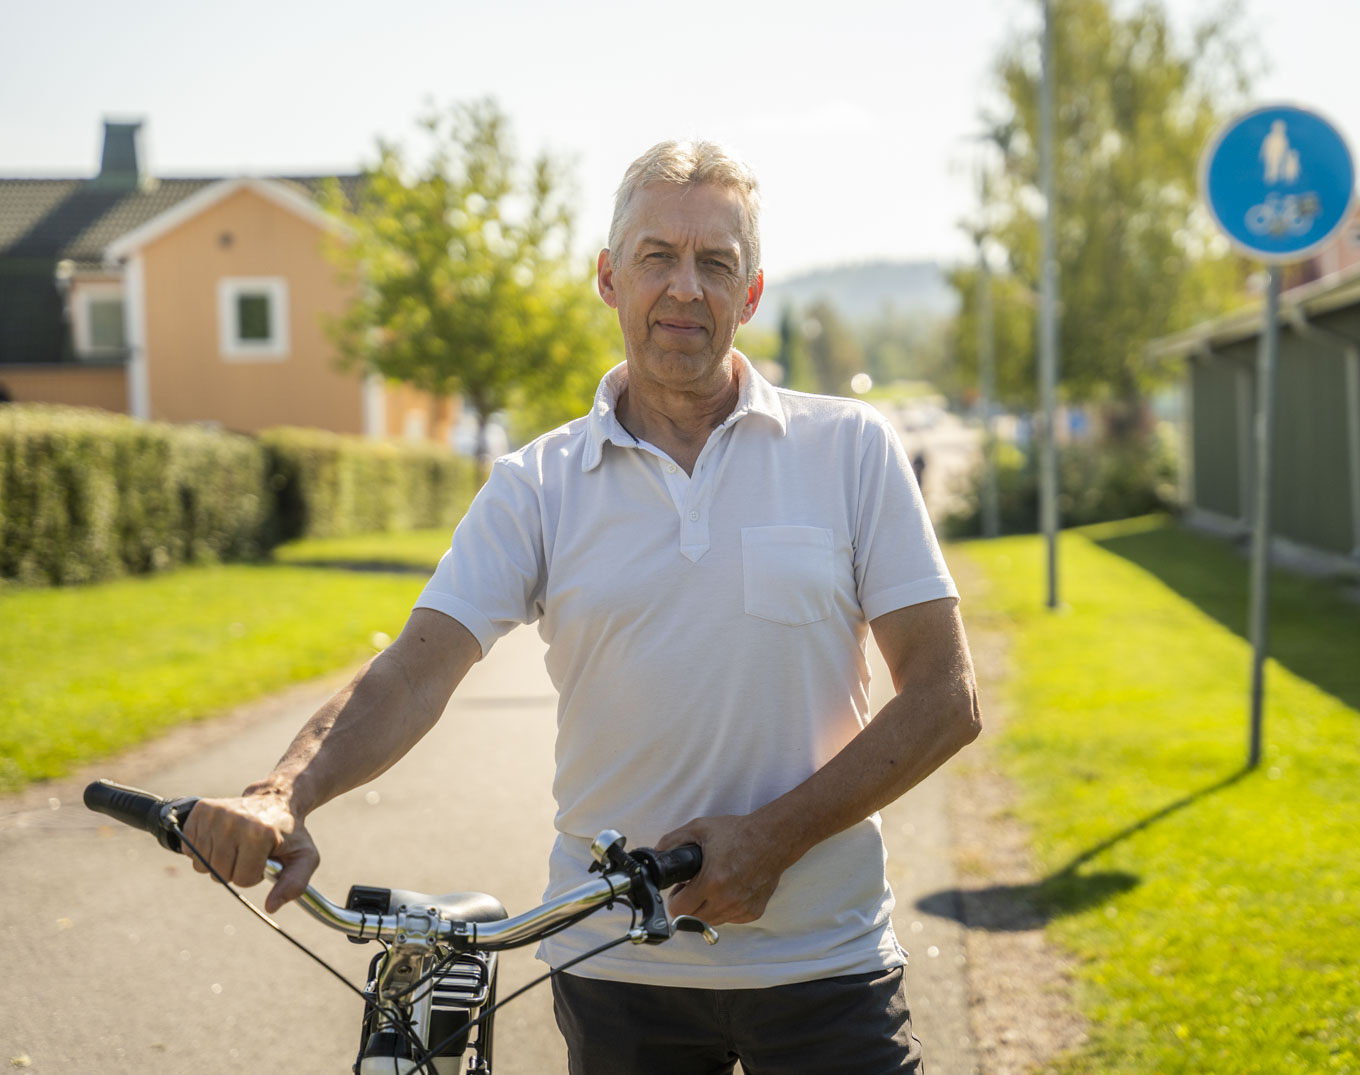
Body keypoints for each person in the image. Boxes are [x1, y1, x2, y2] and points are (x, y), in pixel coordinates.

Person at [183, 140, 982, 1074]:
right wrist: (282, 793)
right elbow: (413, 668)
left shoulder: (850, 448)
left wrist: (773, 838)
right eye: (657, 257)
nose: (684, 287)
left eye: (715, 263)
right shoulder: (537, 483)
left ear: (751, 293)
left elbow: (945, 697)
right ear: (609, 278)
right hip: (614, 973)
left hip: (826, 967)